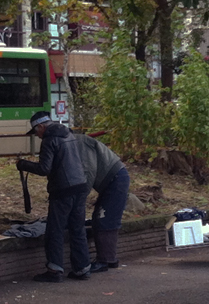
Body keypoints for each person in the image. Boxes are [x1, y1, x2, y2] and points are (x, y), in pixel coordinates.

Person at [16, 112, 91, 283]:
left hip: (62, 190)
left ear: (40, 127)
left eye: (36, 132)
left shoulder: (50, 140)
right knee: (77, 229)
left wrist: (23, 164)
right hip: (80, 186)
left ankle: (54, 269)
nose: (37, 135)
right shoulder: (69, 134)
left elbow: (44, 168)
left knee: (55, 231)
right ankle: (82, 268)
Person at [74, 133, 130, 273]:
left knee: (104, 218)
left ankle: (105, 260)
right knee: (102, 218)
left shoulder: (79, 143)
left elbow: (88, 171)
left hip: (114, 178)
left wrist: (80, 199)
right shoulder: (77, 140)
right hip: (113, 178)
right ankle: (109, 258)